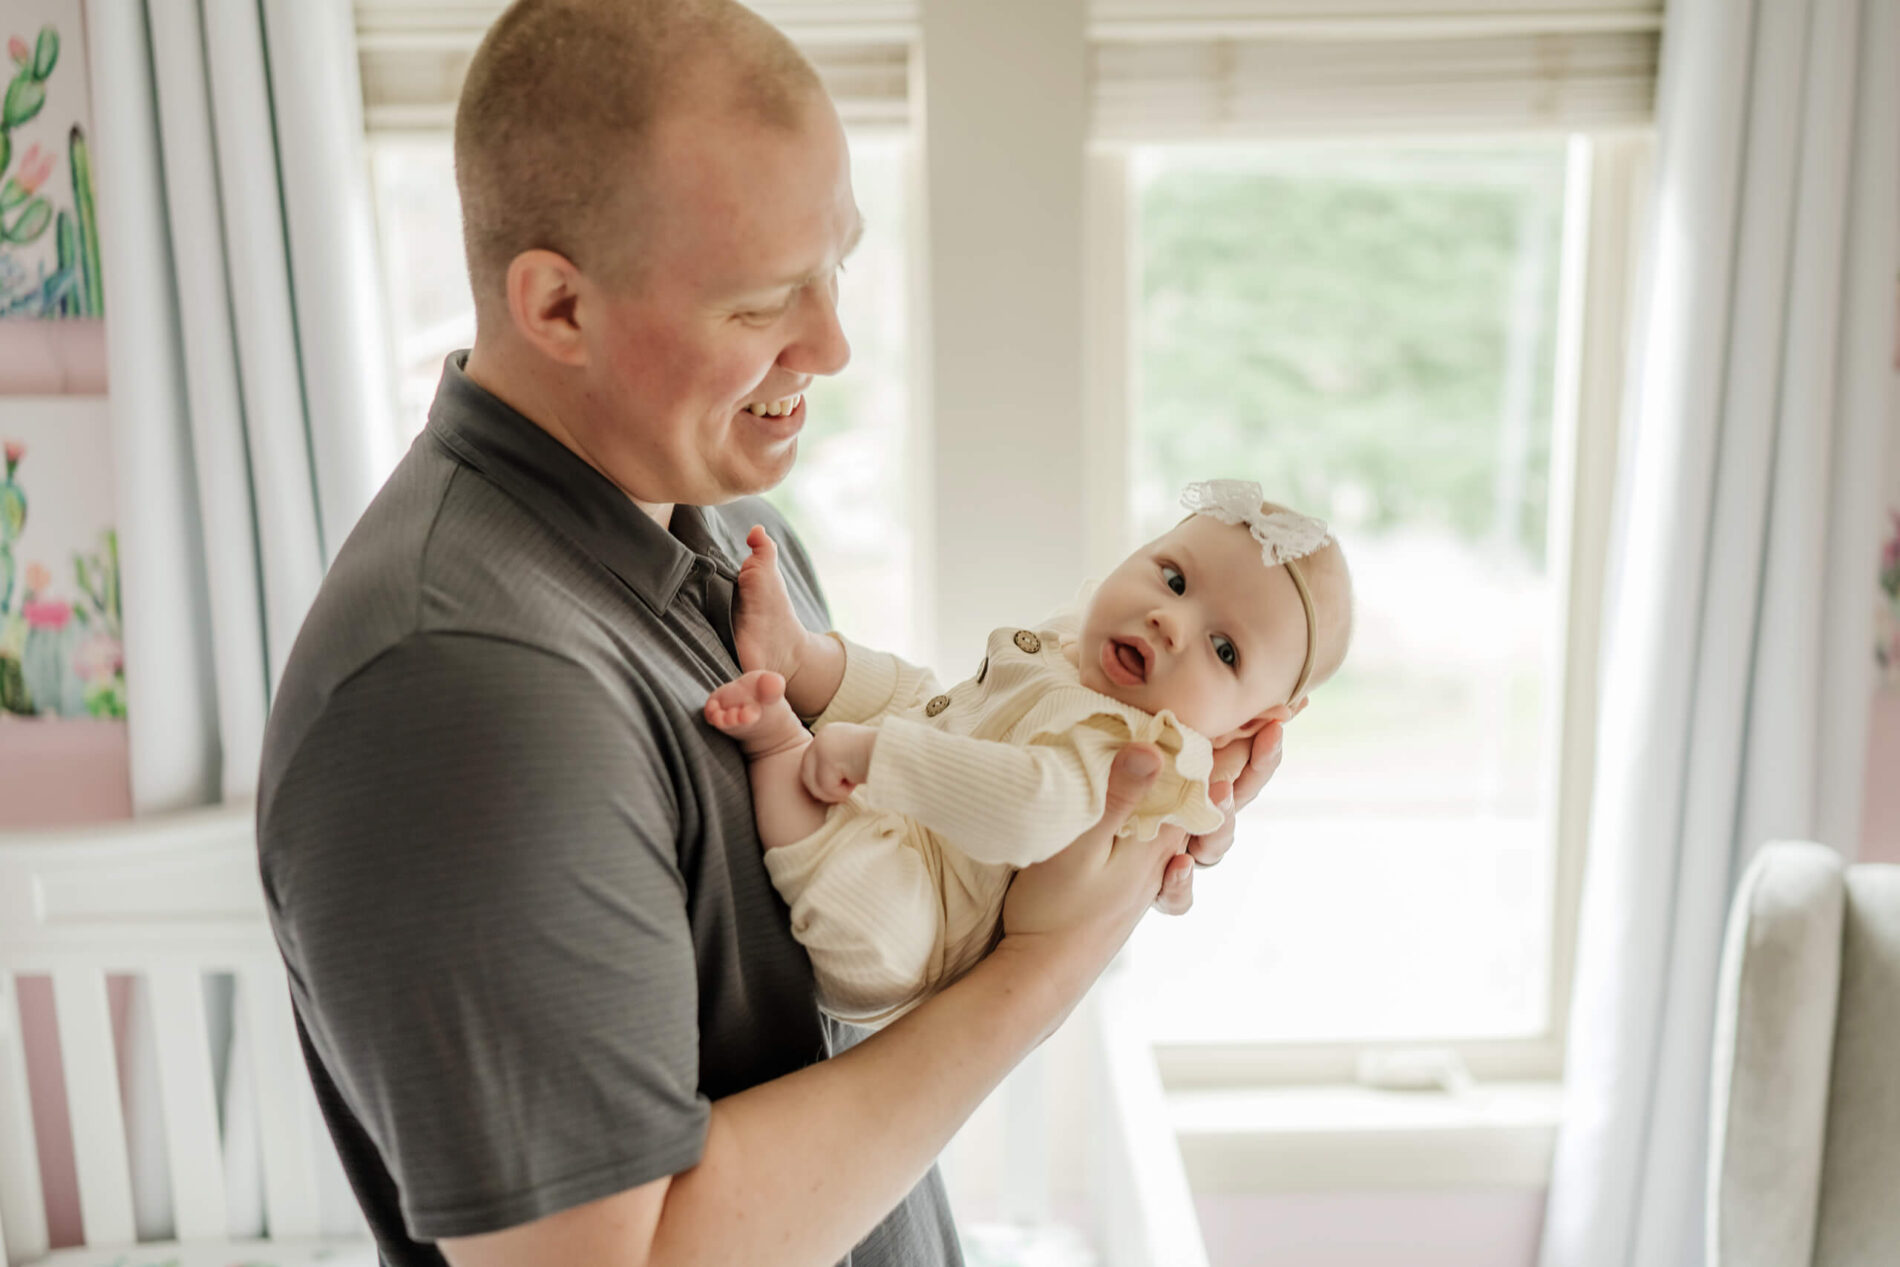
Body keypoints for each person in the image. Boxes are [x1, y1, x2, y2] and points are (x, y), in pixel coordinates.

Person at [255, 2, 1284, 1265]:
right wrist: (1051, 965)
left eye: (835, 262)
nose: (834, 343)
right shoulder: (458, 692)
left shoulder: (723, 530)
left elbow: (851, 968)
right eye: (761, 304)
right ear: (558, 306)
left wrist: (1096, 830)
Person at [705, 482, 1352, 1025]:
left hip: (927, 909)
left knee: (880, 932)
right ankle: (797, 656)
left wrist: (880, 756)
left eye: (1225, 649)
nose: (1170, 621)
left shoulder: (1141, 749)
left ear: (1250, 723)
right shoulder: (1081, 642)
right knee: (913, 687)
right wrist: (894, 737)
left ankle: (777, 743)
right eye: (1174, 578)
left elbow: (1028, 806)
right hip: (923, 758)